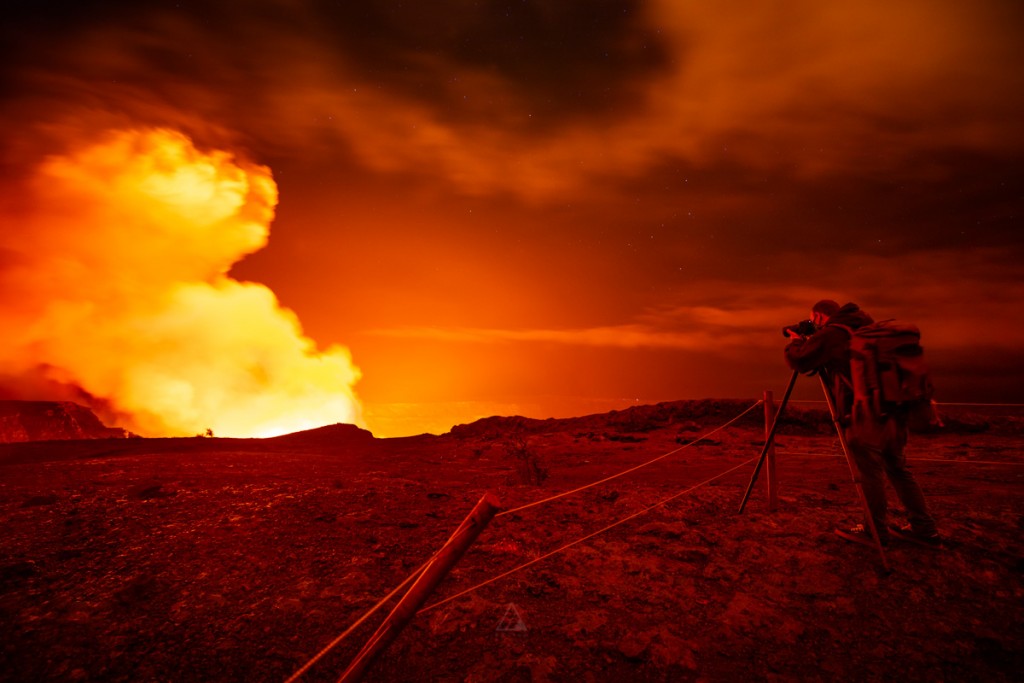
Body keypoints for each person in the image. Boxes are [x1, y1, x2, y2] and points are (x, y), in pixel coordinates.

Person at [783, 299, 941, 547]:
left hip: (864, 414)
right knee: (898, 469)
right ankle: (925, 528)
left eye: (814, 321)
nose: (814, 325)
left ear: (821, 317)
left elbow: (800, 360)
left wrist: (795, 340)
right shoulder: (866, 329)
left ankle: (874, 531)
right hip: (894, 410)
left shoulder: (835, 334)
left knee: (868, 472)